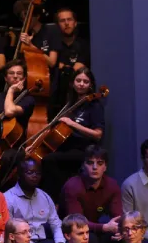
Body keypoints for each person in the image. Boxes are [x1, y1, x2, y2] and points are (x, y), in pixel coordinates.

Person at [39, 68, 105, 197]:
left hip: (83, 149)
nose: (81, 84)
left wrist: (73, 124)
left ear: (90, 85)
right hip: (65, 146)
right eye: (78, 80)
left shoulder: (94, 105)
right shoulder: (70, 103)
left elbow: (98, 134)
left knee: (49, 160)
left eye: (85, 81)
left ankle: (56, 200)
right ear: (72, 83)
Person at [61, 145, 122, 243]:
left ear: (105, 167)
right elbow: (77, 223)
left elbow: (117, 216)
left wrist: (119, 228)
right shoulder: (73, 186)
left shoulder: (112, 185)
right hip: (71, 229)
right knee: (89, 238)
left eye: (99, 163)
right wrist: (104, 227)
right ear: (83, 165)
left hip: (94, 225)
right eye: (90, 163)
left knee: (119, 236)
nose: (95, 167)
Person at [4, 158, 65, 243]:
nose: (35, 176)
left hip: (45, 241)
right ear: (19, 175)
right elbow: (10, 233)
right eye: (30, 172)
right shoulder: (8, 198)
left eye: (38, 173)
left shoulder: (44, 196)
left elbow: (56, 223)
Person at [13, 0, 60, 68]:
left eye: (28, 18)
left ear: (37, 16)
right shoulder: (23, 34)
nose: (25, 22)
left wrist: (31, 46)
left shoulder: (51, 30)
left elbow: (52, 62)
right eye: (22, 19)